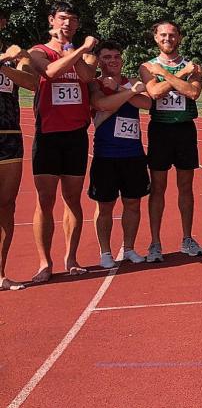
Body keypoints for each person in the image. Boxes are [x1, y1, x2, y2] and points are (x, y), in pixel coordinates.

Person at [27, 1, 98, 282]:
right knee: (45, 200)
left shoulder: (85, 58)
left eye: (72, 20)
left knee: (72, 199)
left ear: (77, 25)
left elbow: (87, 76)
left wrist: (76, 52)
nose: (67, 24)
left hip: (76, 135)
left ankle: (71, 256)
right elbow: (51, 72)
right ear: (52, 21)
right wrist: (80, 48)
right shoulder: (38, 51)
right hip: (48, 134)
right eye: (62, 19)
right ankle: (45, 262)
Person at [139, 20, 202, 261]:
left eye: (172, 35)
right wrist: (180, 77)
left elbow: (194, 93)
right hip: (160, 131)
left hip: (185, 130)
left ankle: (187, 238)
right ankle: (155, 243)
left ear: (180, 37)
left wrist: (168, 74)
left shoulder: (192, 66)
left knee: (186, 186)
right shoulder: (147, 66)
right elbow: (154, 93)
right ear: (156, 38)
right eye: (163, 35)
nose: (168, 38)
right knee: (158, 187)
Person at [88, 41, 152, 269]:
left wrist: (119, 89)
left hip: (133, 154)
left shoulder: (132, 81)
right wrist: (129, 94)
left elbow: (146, 103)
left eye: (116, 56)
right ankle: (105, 252)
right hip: (106, 154)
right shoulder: (94, 83)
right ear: (99, 60)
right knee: (104, 206)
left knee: (133, 203)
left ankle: (129, 248)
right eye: (106, 57)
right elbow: (100, 104)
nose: (113, 60)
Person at [0, 17, 38, 290]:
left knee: (6, 205)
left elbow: (31, 83)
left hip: (10, 137)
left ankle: (1, 273)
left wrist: (6, 63)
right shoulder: (9, 55)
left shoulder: (16, 54)